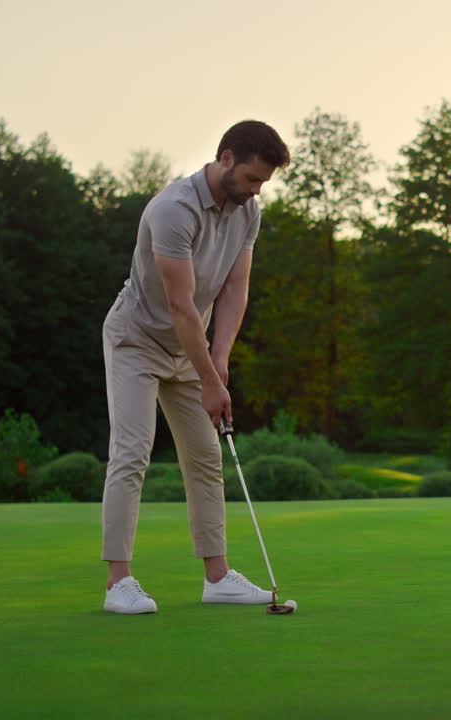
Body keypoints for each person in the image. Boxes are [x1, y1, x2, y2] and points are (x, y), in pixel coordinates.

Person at [100, 120, 290, 614]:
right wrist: (209, 380)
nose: (256, 192)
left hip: (192, 348)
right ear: (225, 158)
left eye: (263, 183)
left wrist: (220, 359)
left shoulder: (248, 212)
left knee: (206, 458)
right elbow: (181, 306)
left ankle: (217, 577)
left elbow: (235, 288)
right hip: (136, 339)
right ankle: (118, 583)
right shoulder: (172, 211)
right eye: (252, 179)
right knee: (132, 452)